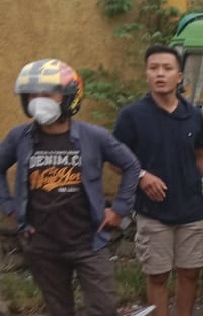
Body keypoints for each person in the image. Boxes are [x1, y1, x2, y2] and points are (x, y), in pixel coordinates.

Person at [0, 59, 141, 316]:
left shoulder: (93, 136)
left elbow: (131, 165)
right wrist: (8, 206)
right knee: (59, 309)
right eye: (33, 94)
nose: (38, 100)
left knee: (104, 307)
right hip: (41, 245)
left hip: (88, 243)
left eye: (47, 93)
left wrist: (120, 208)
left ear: (68, 97)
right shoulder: (18, 137)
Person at [113, 45, 203, 316]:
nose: (160, 74)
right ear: (147, 75)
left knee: (190, 273)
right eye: (154, 69)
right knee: (158, 276)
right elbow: (116, 161)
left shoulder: (193, 115)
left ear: (179, 76)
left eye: (167, 68)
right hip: (153, 213)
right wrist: (141, 176)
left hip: (191, 210)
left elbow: (201, 155)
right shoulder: (132, 116)